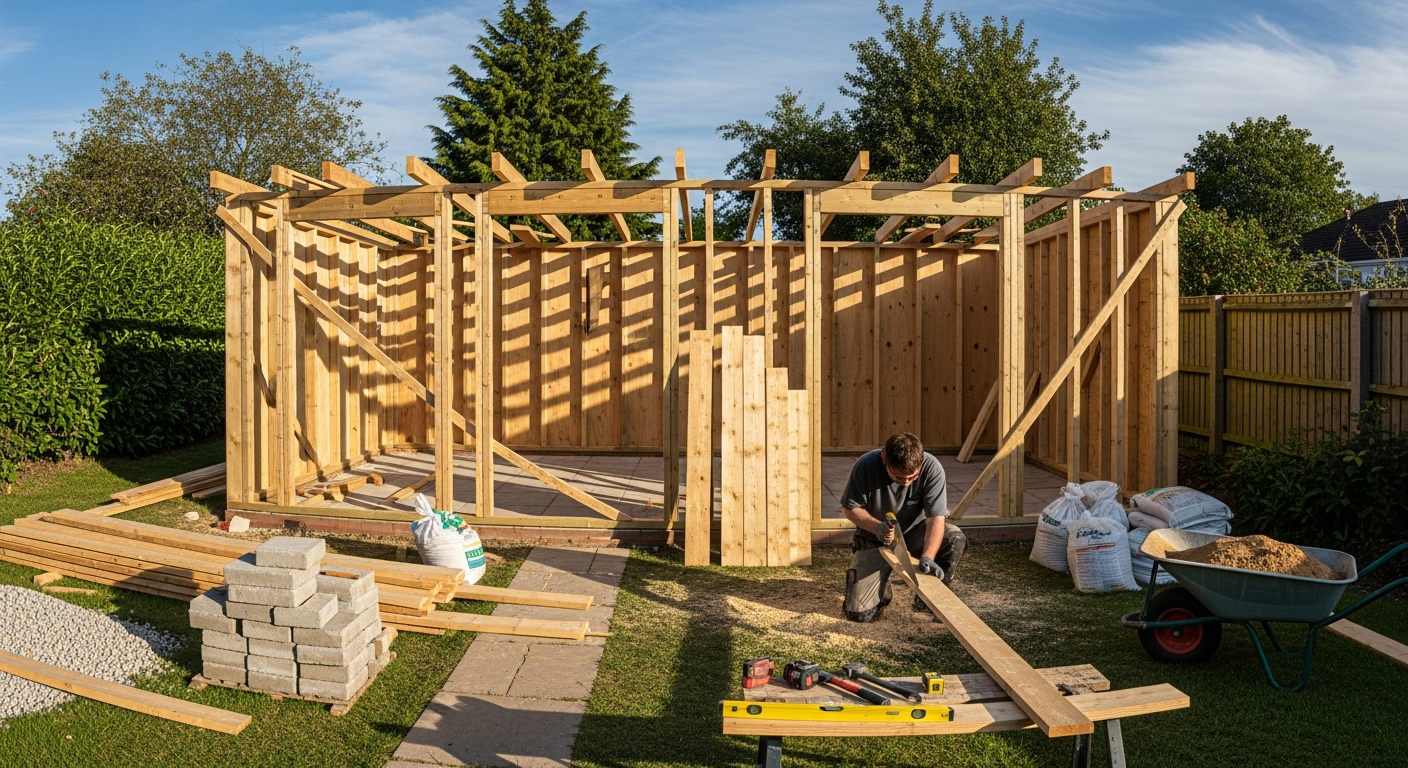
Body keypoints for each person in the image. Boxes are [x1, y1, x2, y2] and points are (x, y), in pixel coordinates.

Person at [840, 432, 967, 622]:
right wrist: (877, 527)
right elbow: (851, 508)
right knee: (858, 614)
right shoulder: (866, 466)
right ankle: (881, 593)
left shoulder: (932, 468)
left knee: (954, 538)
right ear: (884, 459)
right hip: (872, 538)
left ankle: (925, 604)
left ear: (921, 463)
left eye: (912, 477)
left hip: (915, 534)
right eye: (899, 477)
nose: (906, 482)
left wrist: (928, 557)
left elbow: (935, 518)